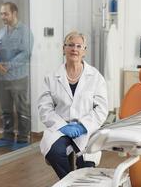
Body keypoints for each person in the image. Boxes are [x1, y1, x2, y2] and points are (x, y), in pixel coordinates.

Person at [37, 31, 108, 179]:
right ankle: (69, 180)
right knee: (54, 152)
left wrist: (83, 126)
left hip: (86, 130)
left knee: (86, 162)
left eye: (78, 46)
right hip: (60, 128)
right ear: (63, 49)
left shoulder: (95, 77)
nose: (74, 49)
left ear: (84, 51)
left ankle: (75, 181)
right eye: (70, 45)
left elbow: (101, 109)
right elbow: (44, 108)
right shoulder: (51, 77)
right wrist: (62, 126)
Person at [0, 2, 33, 151]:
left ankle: (23, 138)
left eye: (5, 13)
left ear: (14, 13)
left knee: (22, 109)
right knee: (6, 109)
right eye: (1, 13)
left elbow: (26, 53)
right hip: (1, 78)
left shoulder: (25, 31)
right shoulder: (0, 32)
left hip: (18, 78)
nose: (2, 16)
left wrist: (7, 66)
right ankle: (7, 136)